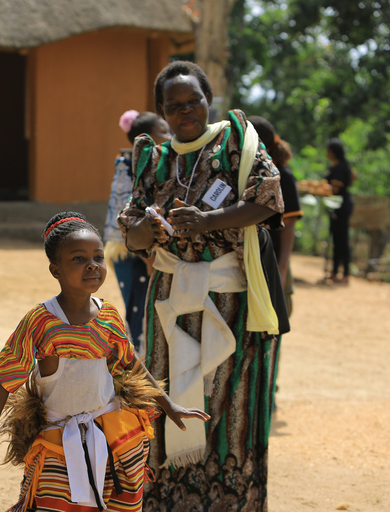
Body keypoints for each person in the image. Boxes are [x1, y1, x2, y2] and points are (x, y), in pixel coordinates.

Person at [118, 60, 284, 511]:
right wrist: (144, 234)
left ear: (209, 102)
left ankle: (230, 501)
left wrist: (208, 220)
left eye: (194, 102)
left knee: (230, 404)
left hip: (231, 300)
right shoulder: (153, 157)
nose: (186, 111)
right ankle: (170, 500)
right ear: (163, 111)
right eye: (175, 106)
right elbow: (130, 228)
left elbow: (269, 199)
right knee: (171, 394)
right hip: (170, 302)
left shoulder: (236, 143)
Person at [0, 212, 209, 512]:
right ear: (55, 270)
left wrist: (168, 404)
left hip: (111, 433)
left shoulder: (108, 316)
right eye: (78, 259)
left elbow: (130, 363)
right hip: (59, 438)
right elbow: (6, 377)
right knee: (53, 504)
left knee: (117, 503)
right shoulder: (41, 321)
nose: (92, 265)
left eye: (98, 257)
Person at [104, 110, 170, 350]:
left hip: (140, 252)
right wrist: (148, 256)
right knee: (141, 311)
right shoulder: (131, 166)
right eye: (162, 131)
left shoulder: (159, 163)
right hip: (131, 252)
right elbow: (129, 212)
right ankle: (138, 366)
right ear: (144, 138)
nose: (169, 135)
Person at [249, 116, 303, 315]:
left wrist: (282, 268)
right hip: (254, 259)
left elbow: (288, 226)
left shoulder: (282, 177)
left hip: (274, 259)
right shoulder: (246, 173)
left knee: (275, 322)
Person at [322, 138, 354, 285]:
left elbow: (335, 189)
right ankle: (335, 272)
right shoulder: (339, 166)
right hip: (338, 205)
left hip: (341, 206)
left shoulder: (341, 167)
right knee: (336, 239)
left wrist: (322, 189)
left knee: (342, 240)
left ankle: (345, 274)